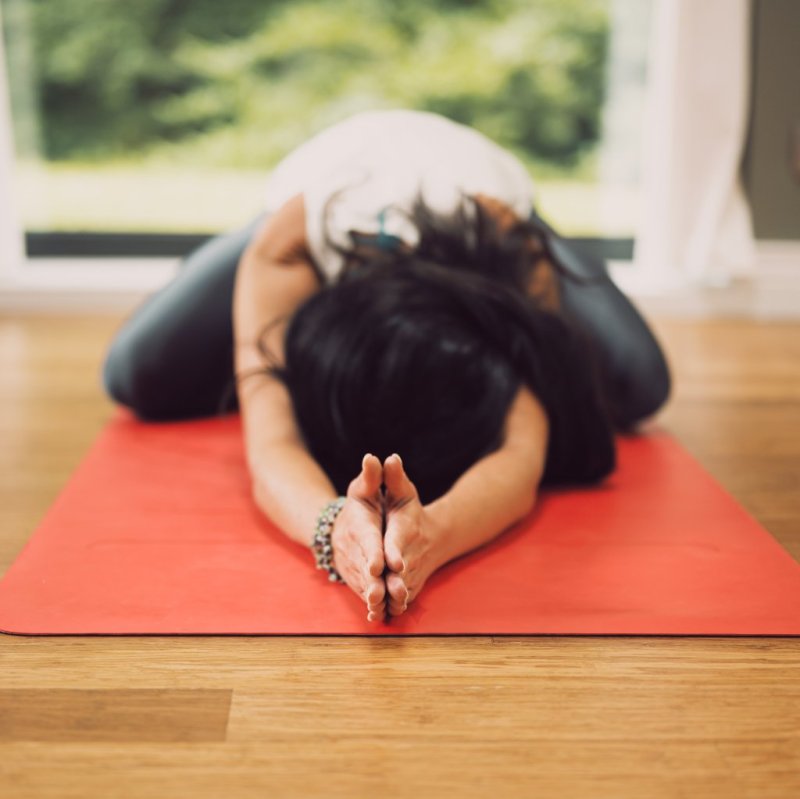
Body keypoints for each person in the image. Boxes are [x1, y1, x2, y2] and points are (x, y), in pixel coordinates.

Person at [101, 109, 670, 624]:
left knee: (639, 384)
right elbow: (270, 441)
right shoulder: (289, 247)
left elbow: (523, 450)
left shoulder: (506, 252)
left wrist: (431, 539)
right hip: (318, 178)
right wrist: (333, 530)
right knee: (134, 374)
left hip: (485, 189)